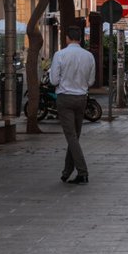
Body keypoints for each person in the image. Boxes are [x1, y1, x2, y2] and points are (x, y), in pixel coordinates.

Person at [47, 27, 95, 184]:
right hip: (81, 98)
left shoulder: (60, 55)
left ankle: (83, 171)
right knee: (74, 136)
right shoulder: (89, 56)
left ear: (67, 38)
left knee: (71, 136)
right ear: (80, 39)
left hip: (65, 97)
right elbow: (91, 81)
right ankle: (67, 171)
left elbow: (53, 80)